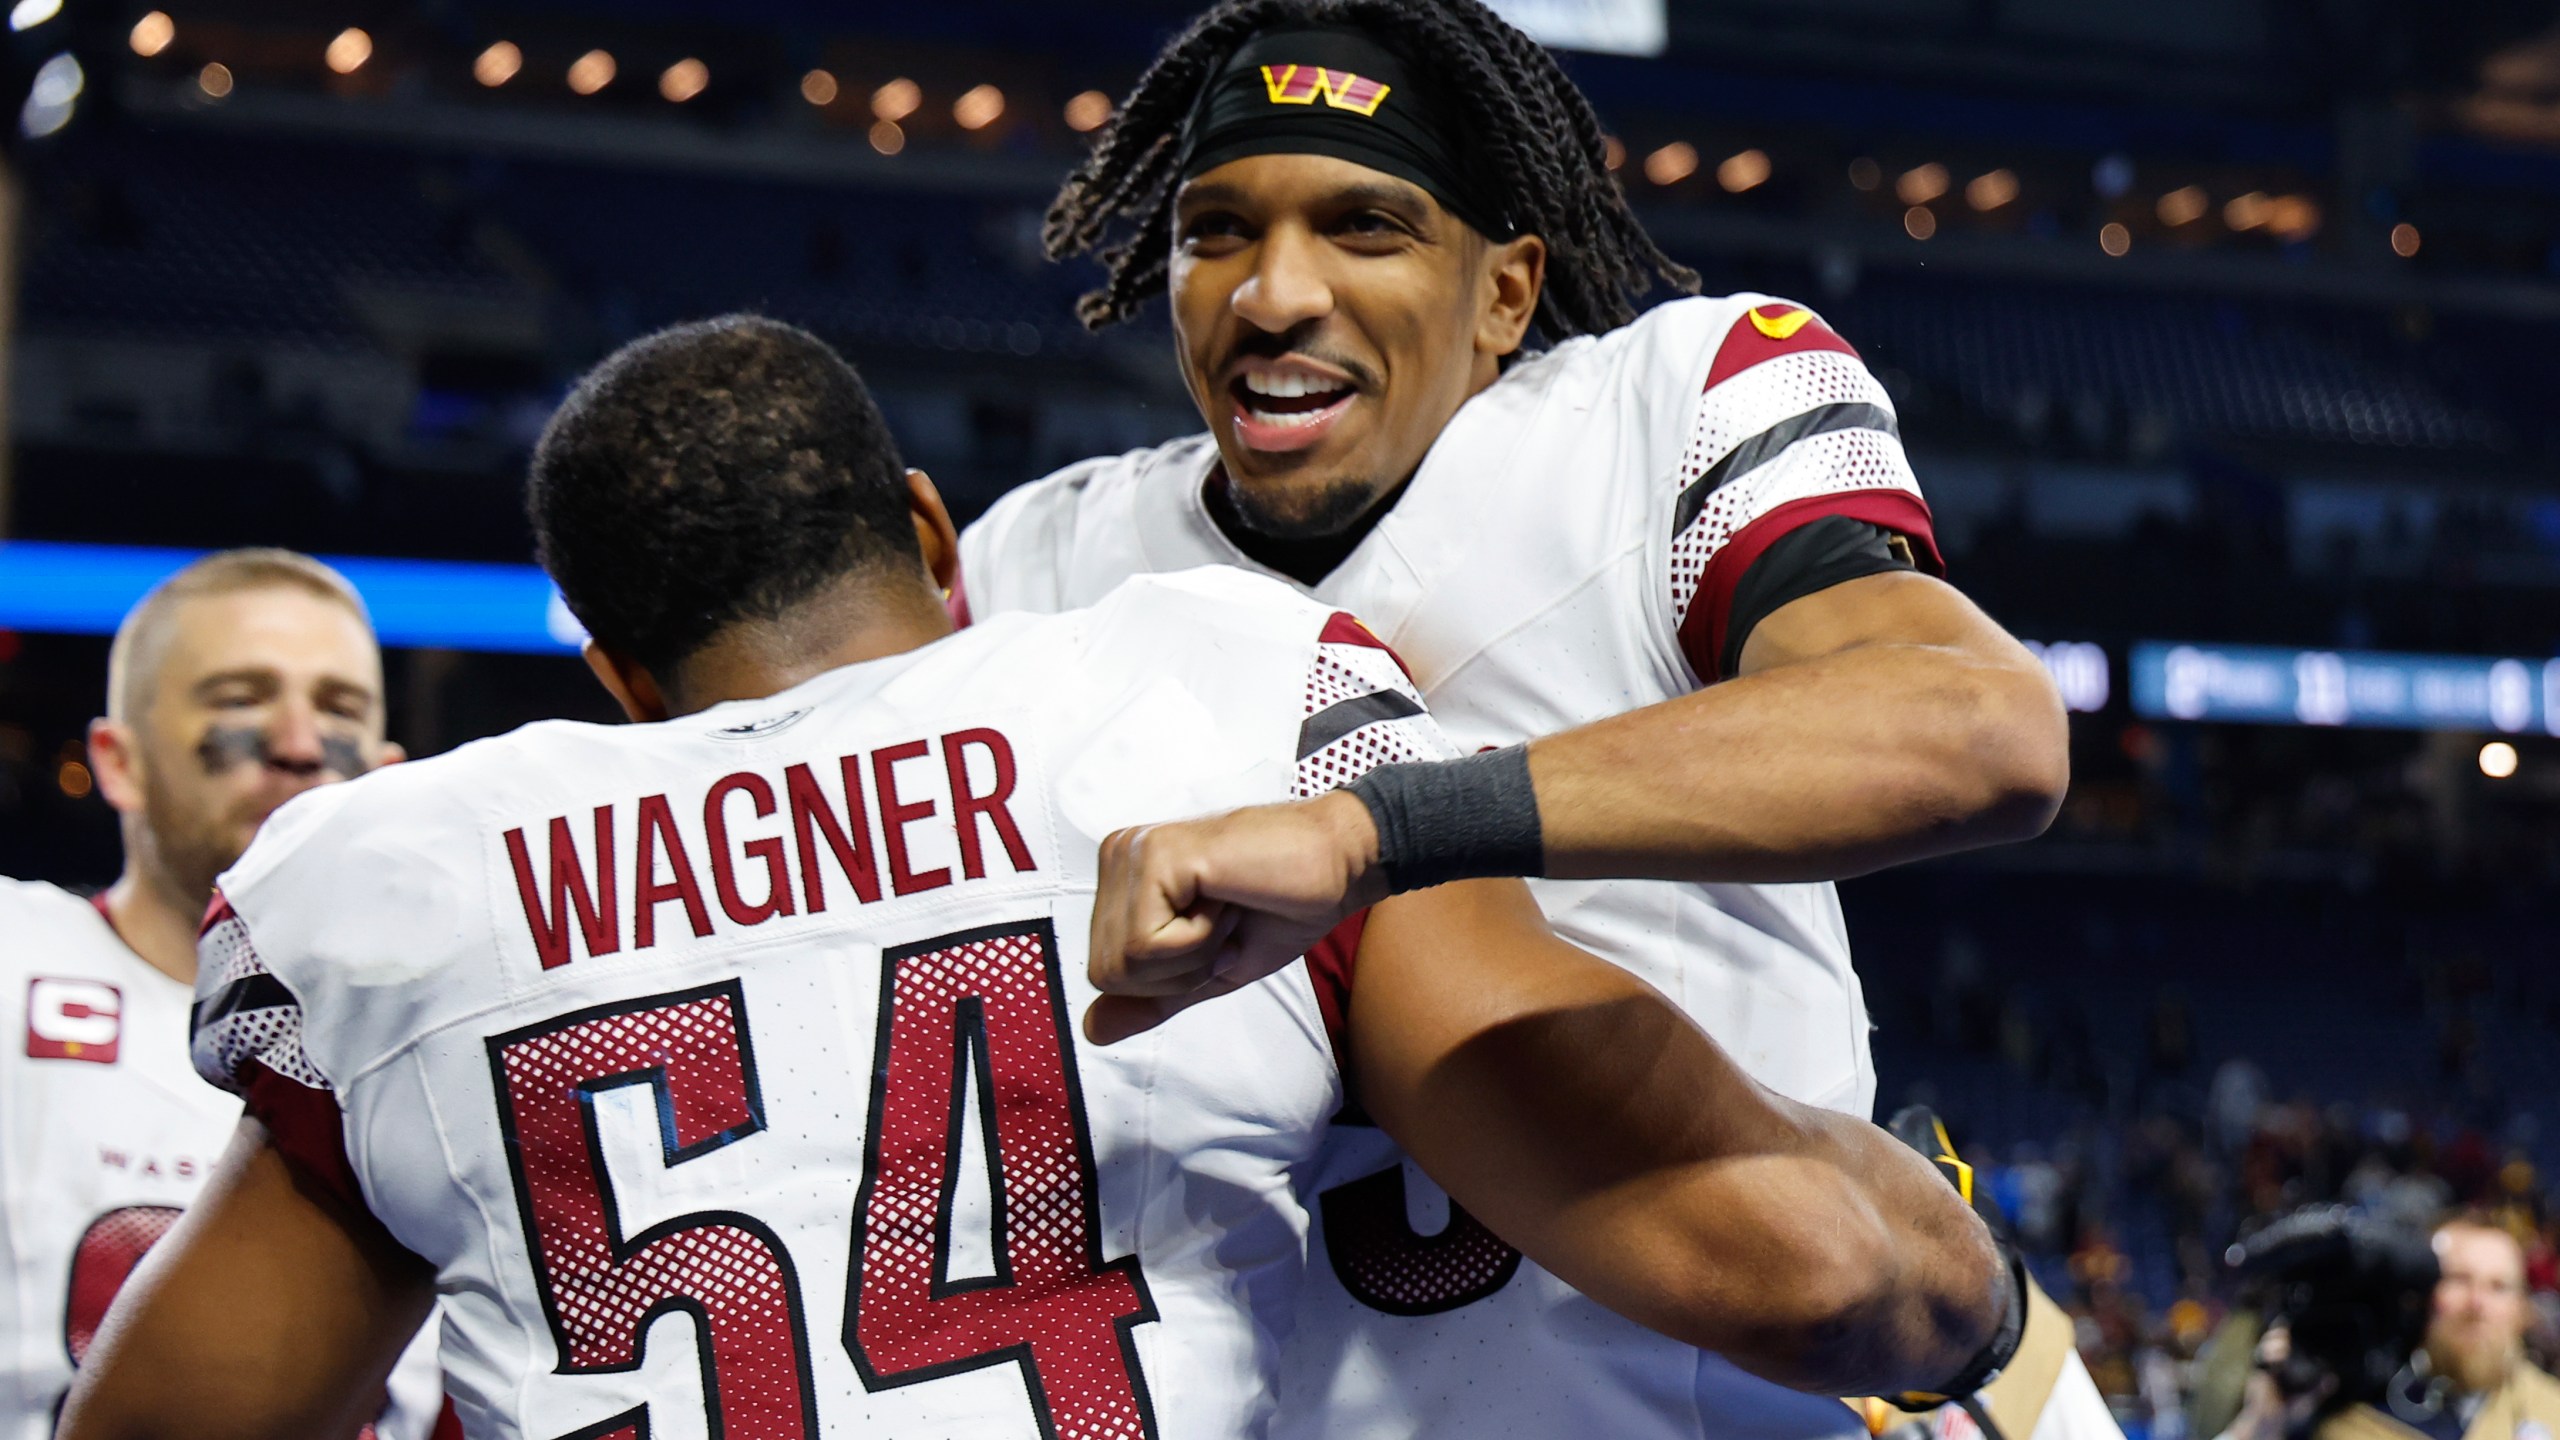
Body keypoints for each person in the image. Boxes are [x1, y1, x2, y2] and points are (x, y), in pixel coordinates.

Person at [58, 317, 2011, 1440]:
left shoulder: (400, 884)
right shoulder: (1205, 694)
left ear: (616, 676)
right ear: (925, 526)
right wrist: (1973, 1294)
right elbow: (1796, 1273)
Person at [956, 2, 2076, 1438]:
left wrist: (1378, 831)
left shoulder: (1667, 407)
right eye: (1215, 229)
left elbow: (1978, 726)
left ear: (1503, 291)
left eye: (1365, 227)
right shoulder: (1031, 566)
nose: (1270, 293)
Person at [0, 549, 440, 1438]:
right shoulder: (14, 956)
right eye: (240, 698)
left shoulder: (457, 1034)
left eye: (339, 707)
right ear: (118, 762)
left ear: (389, 779)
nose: (300, 743)